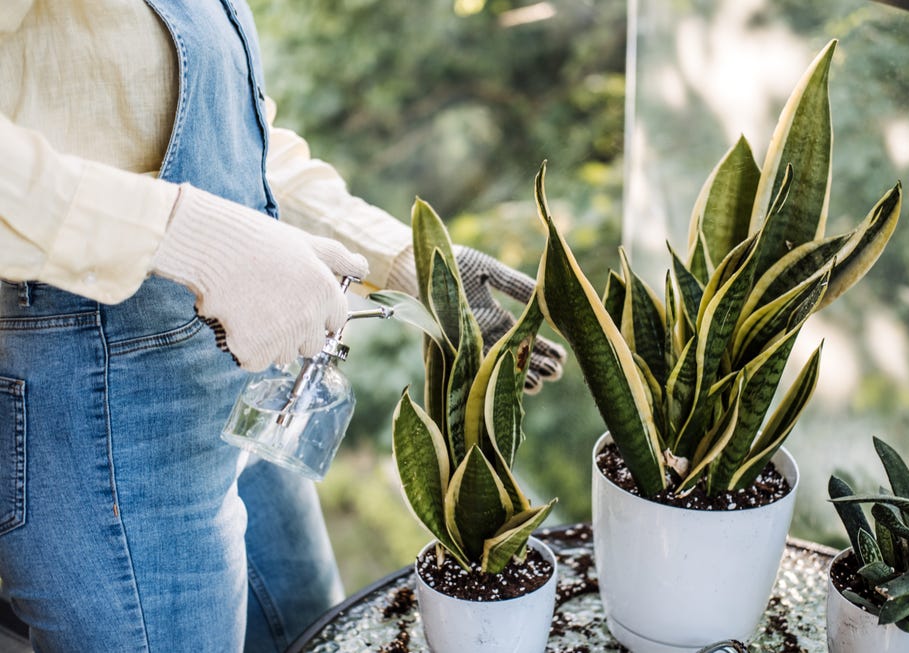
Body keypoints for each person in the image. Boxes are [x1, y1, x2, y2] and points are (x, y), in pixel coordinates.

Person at [0, 2, 566, 652]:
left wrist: (403, 258)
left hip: (250, 372)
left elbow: (240, 139)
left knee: (317, 630)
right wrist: (179, 232)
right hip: (107, 398)